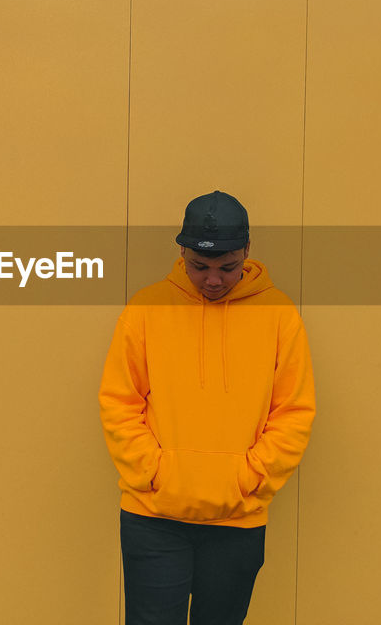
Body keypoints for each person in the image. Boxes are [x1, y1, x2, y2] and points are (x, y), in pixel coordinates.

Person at [99, 190, 317, 625]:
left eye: (227, 267)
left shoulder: (279, 314)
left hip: (238, 517)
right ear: (182, 252)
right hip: (153, 516)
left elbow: (293, 411)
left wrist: (250, 479)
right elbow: (119, 402)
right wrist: (153, 472)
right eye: (200, 267)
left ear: (247, 252)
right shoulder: (146, 308)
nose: (213, 279)